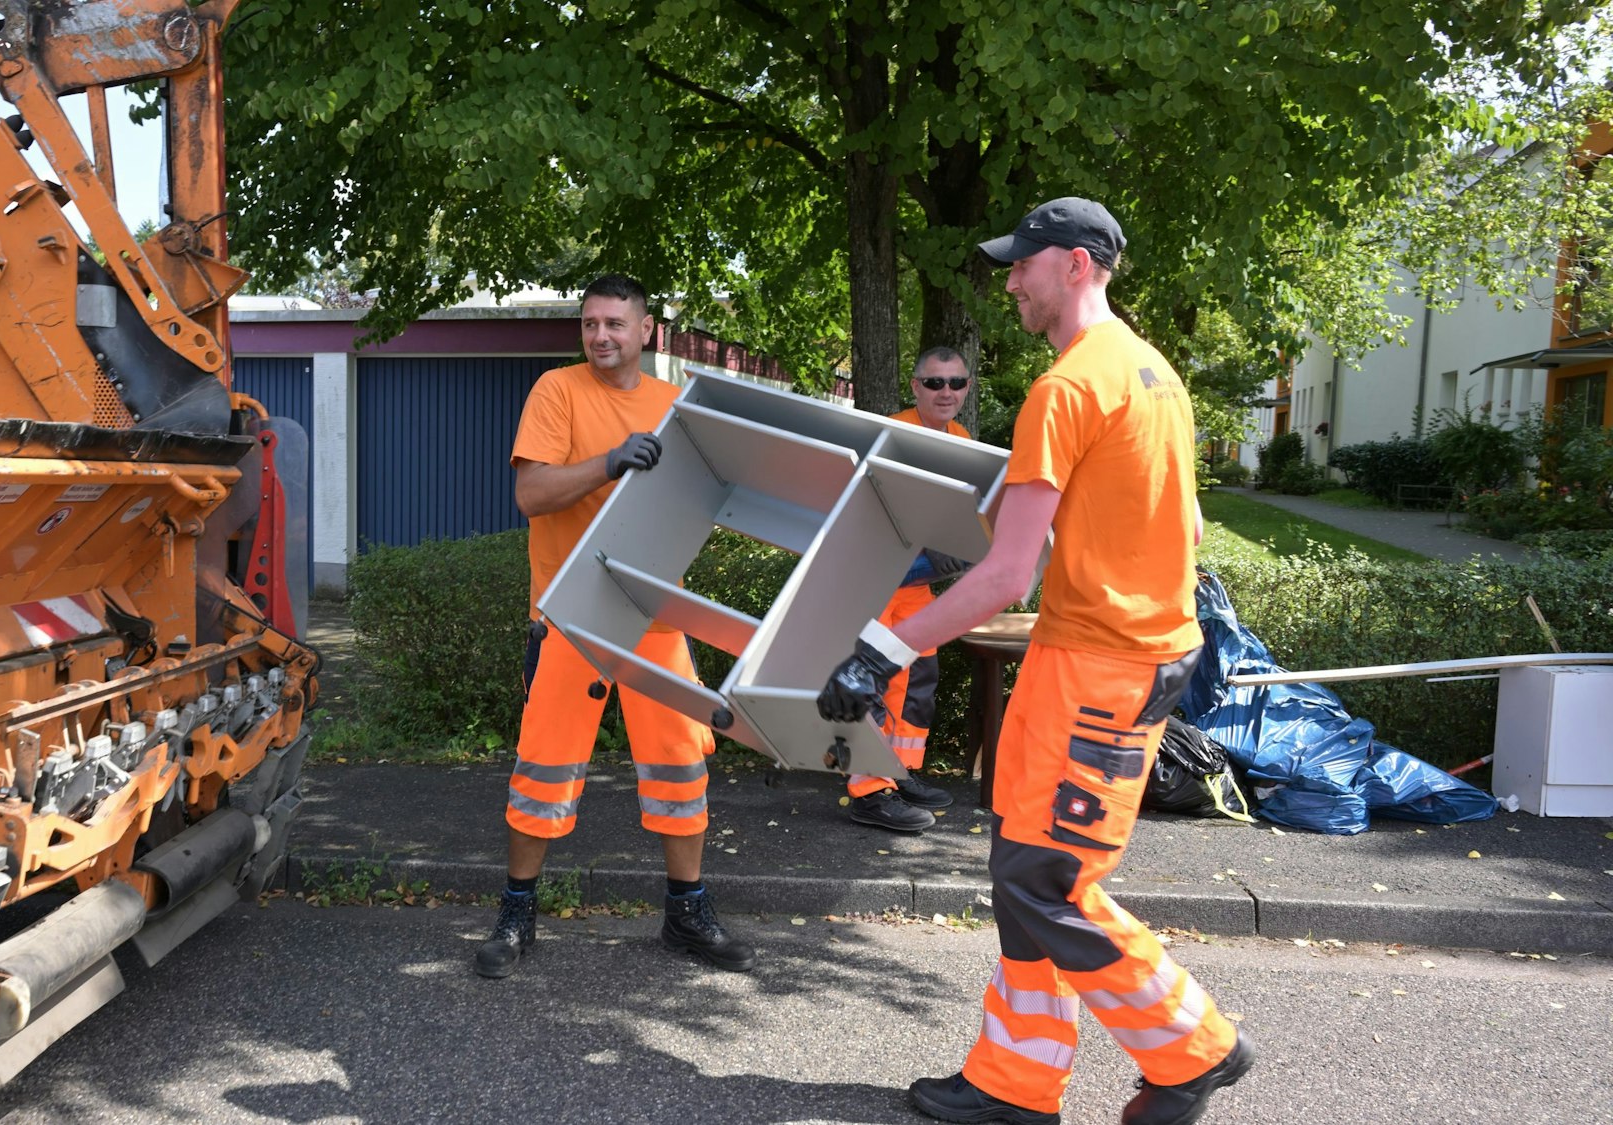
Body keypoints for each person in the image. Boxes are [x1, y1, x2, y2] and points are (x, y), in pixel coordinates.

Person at [817, 199, 1250, 1125]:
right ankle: (1016, 1081)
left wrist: (880, 649)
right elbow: (1184, 528)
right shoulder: (1153, 374)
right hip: (1110, 657)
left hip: (1099, 669)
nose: (1010, 280)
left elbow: (1009, 574)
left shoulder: (1066, 389)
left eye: (1024, 263)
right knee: (1023, 864)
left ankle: (1196, 1048)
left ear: (1077, 265)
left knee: (1046, 882)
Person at [475, 273, 755, 980]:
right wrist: (609, 462)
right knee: (542, 770)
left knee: (681, 767)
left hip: (655, 613)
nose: (600, 335)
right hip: (571, 615)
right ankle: (516, 913)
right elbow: (530, 494)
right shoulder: (557, 391)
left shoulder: (673, 405)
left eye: (614, 324)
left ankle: (686, 912)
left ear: (646, 330)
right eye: (590, 323)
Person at [845, 348, 972, 832]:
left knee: (917, 679)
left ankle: (900, 773)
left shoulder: (962, 439)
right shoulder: (893, 435)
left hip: (917, 583)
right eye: (935, 382)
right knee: (873, 685)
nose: (946, 392)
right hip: (878, 578)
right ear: (916, 387)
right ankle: (869, 792)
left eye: (956, 382)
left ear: (967, 388)